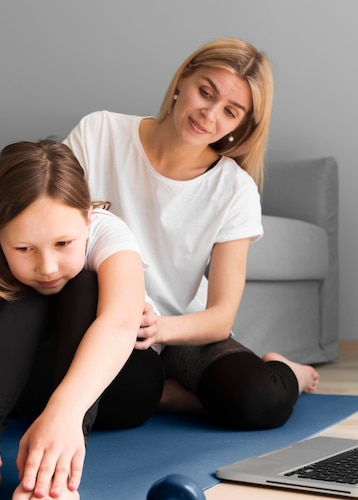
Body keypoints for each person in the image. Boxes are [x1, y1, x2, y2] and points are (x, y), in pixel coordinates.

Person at [64, 37, 319, 430]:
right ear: (183, 79)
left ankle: (288, 372)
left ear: (240, 126)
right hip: (113, 319)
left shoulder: (235, 190)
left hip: (182, 327)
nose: (209, 115)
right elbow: (53, 221)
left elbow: (219, 316)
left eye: (230, 111)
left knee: (260, 401)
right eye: (205, 92)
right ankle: (164, 392)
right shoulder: (99, 132)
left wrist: (159, 328)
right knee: (114, 397)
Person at [0, 139, 163, 500]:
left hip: (116, 387)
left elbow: (118, 323)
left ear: (87, 218)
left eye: (63, 243)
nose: (48, 266)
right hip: (33, 392)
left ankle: (54, 470)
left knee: (82, 284)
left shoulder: (109, 234)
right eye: (23, 248)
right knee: (21, 294)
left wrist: (65, 414)